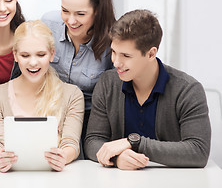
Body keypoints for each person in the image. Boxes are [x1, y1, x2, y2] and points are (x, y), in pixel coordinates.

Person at [85, 9, 211, 170]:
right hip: (120, 181)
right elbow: (92, 141)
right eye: (114, 52)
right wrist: (117, 158)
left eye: (126, 56)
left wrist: (134, 142)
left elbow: (198, 151)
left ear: (151, 54)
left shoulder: (188, 90)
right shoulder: (107, 83)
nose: (116, 62)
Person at [0, 20, 84, 172]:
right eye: (25, 55)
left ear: (52, 54)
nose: (33, 62)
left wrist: (63, 157)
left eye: (41, 54)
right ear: (15, 55)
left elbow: (71, 143)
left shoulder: (72, 95)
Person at [41, 0, 116, 147]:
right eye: (65, 11)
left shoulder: (112, 41)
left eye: (80, 14)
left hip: (89, 125)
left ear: (98, 11)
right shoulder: (48, 24)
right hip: (48, 116)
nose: (71, 20)